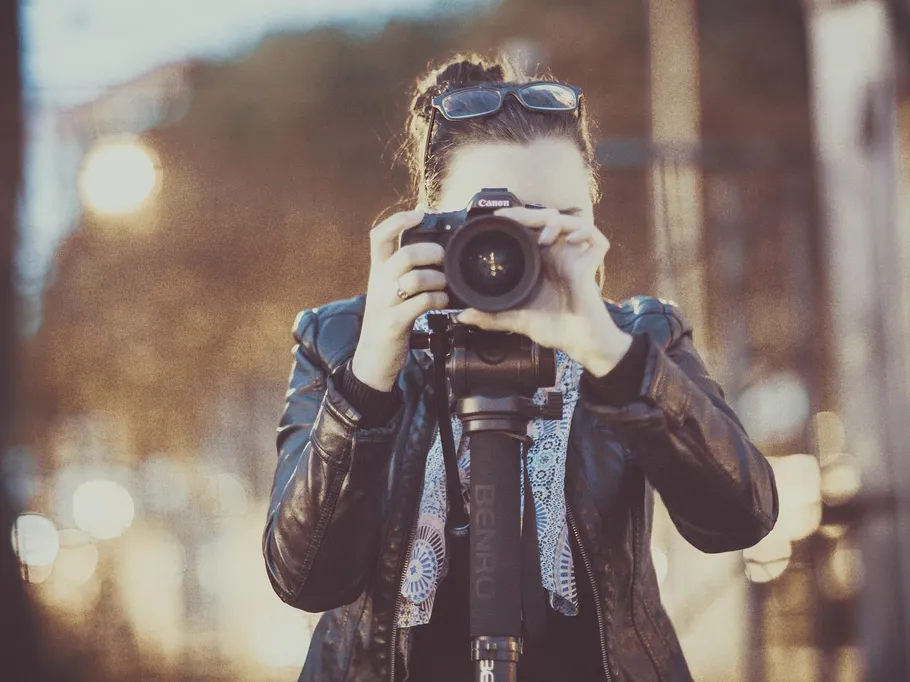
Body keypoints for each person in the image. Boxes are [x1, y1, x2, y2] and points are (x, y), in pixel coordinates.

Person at [262, 53, 778, 682]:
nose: (516, 253)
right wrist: (369, 375)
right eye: (493, 223)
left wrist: (607, 355)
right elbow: (304, 577)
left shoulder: (636, 338)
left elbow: (741, 519)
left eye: (555, 224)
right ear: (427, 223)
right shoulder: (341, 340)